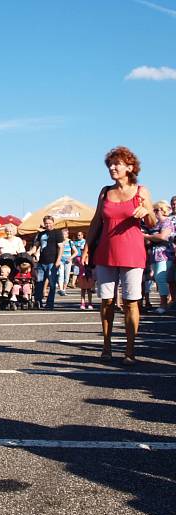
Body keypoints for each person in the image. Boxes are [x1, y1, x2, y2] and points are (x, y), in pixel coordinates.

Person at [86, 146, 155, 365]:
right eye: (110, 165)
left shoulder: (141, 191)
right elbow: (97, 220)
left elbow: (152, 222)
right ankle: (107, 346)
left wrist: (147, 212)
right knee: (106, 301)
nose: (113, 168)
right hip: (106, 251)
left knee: (131, 302)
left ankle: (130, 349)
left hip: (133, 251)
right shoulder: (105, 191)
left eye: (117, 164)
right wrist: (87, 248)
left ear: (130, 167)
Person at [143, 201, 173, 314]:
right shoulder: (155, 224)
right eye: (154, 210)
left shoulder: (167, 222)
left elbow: (163, 236)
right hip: (154, 255)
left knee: (161, 279)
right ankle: (163, 303)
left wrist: (147, 236)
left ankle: (164, 304)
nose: (154, 212)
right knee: (157, 278)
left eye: (156, 210)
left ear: (163, 210)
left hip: (165, 254)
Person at [31, 215, 64, 309]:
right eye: (46, 223)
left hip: (52, 262)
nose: (48, 225)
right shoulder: (41, 234)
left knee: (52, 283)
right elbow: (35, 247)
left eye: (49, 223)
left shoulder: (57, 233)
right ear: (44, 224)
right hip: (41, 262)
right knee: (39, 282)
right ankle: (38, 302)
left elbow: (60, 247)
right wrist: (27, 253)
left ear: (53, 223)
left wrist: (58, 260)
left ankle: (50, 303)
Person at [56, 228, 76, 296]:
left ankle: (64, 289)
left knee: (67, 276)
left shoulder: (70, 242)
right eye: (62, 234)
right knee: (60, 275)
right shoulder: (59, 242)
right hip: (61, 260)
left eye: (65, 234)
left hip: (68, 261)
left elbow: (76, 252)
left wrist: (70, 258)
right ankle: (61, 290)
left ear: (67, 235)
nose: (63, 236)